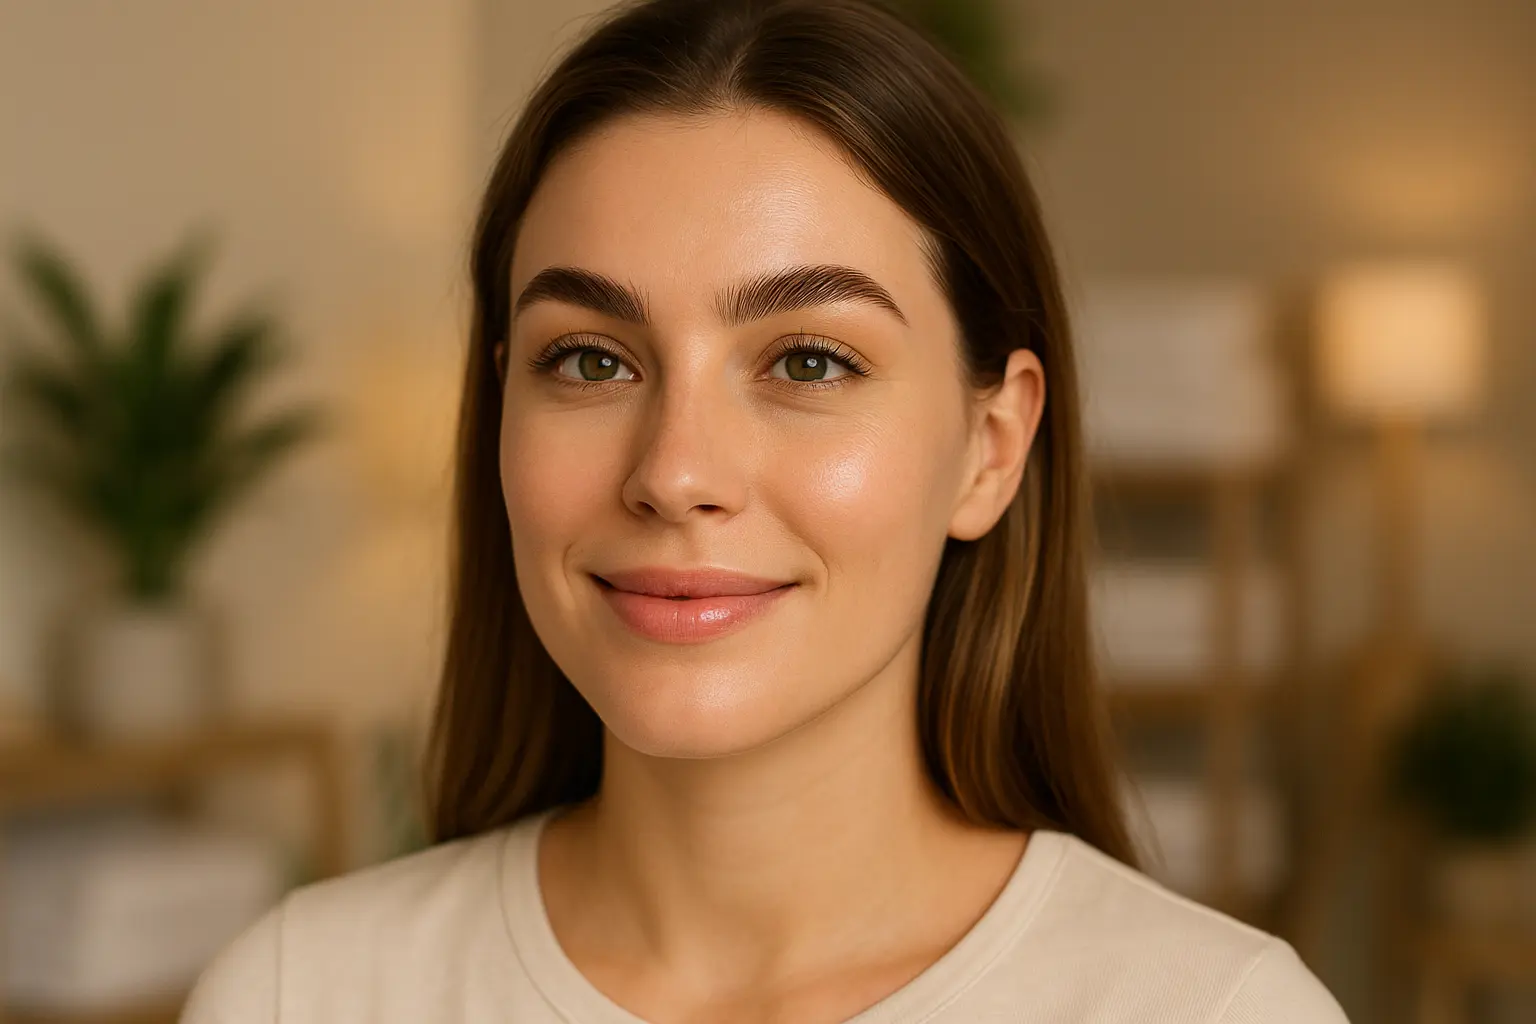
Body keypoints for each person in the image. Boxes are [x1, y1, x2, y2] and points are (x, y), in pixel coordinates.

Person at [182, 0, 1350, 1020]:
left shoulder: (1214, 1012)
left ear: (989, 450)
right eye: (590, 360)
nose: (676, 470)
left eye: (808, 362)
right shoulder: (299, 994)